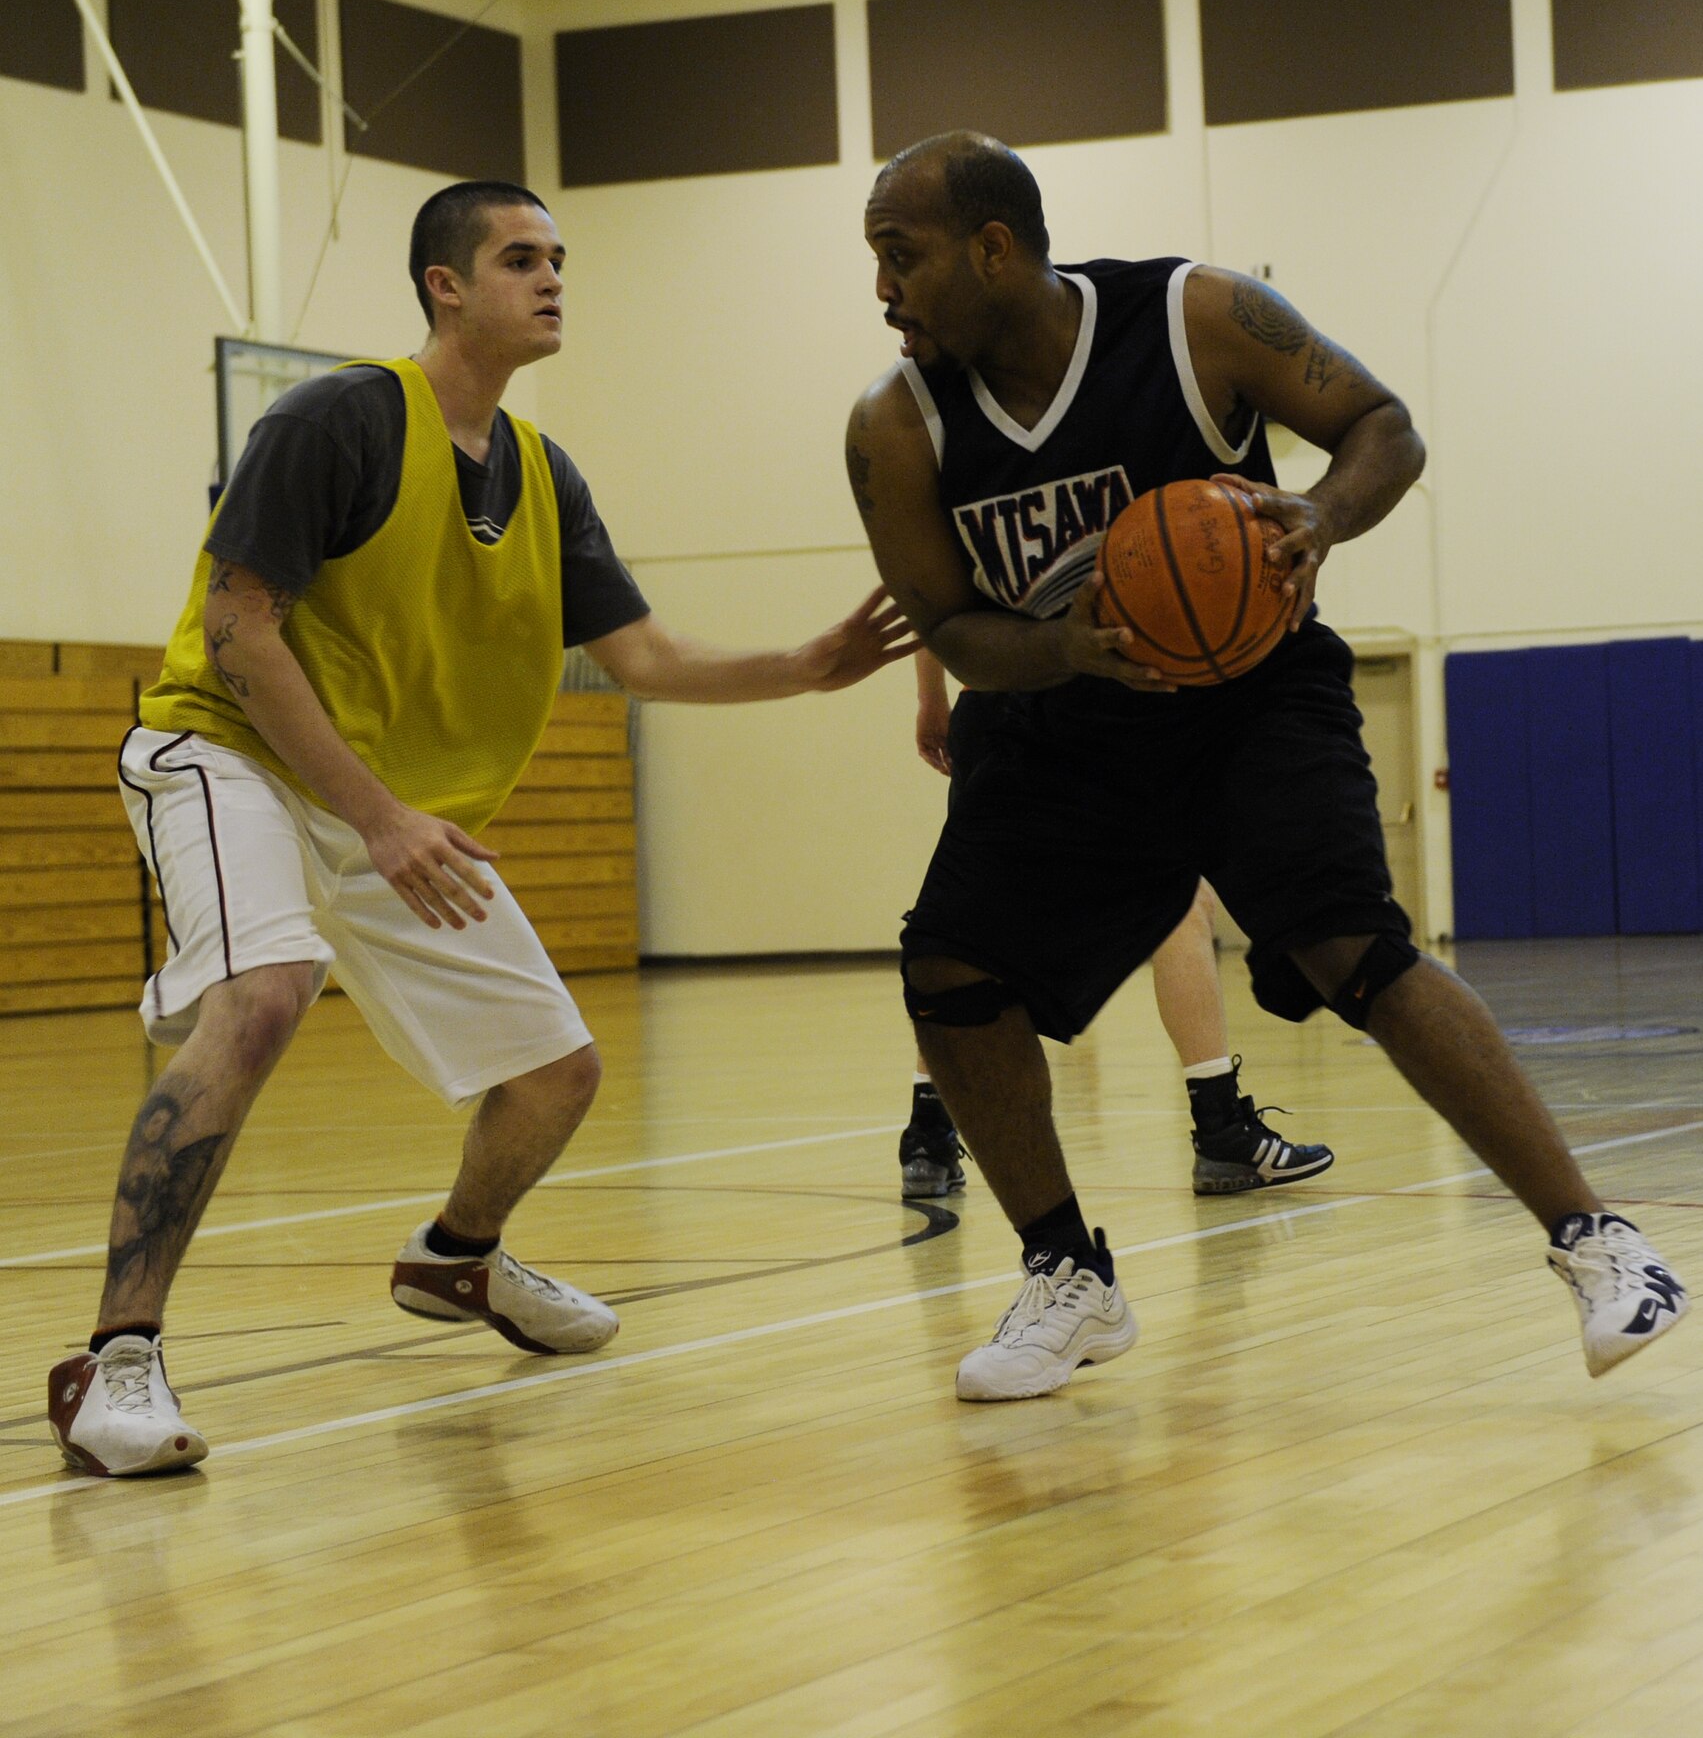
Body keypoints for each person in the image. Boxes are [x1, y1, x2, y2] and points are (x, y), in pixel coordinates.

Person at [49, 180, 915, 1478]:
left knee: (553, 1075)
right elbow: (237, 635)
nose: (552, 277)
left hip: (390, 809)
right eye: (521, 258)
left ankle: (457, 1259)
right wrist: (378, 815)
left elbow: (641, 652)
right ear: (444, 285)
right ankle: (113, 1362)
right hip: (228, 754)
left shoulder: (543, 478)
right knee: (270, 994)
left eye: (558, 258)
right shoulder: (334, 419)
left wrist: (803, 663)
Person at [847, 131, 1687, 1403]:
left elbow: (1379, 426)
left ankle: (1597, 1235)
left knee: (1351, 943)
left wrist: (1321, 515)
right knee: (948, 965)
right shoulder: (892, 428)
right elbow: (953, 625)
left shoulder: (1193, 317)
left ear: (994, 248)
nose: (882, 289)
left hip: (1251, 698)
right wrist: (1063, 645)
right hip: (1068, 714)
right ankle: (1069, 1275)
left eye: (899, 256)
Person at [899, 652, 1333, 1200]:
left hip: (983, 702)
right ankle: (1221, 1125)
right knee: (1181, 899)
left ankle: (927, 1137)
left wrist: (929, 696)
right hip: (1085, 698)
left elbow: (923, 587)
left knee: (966, 933)